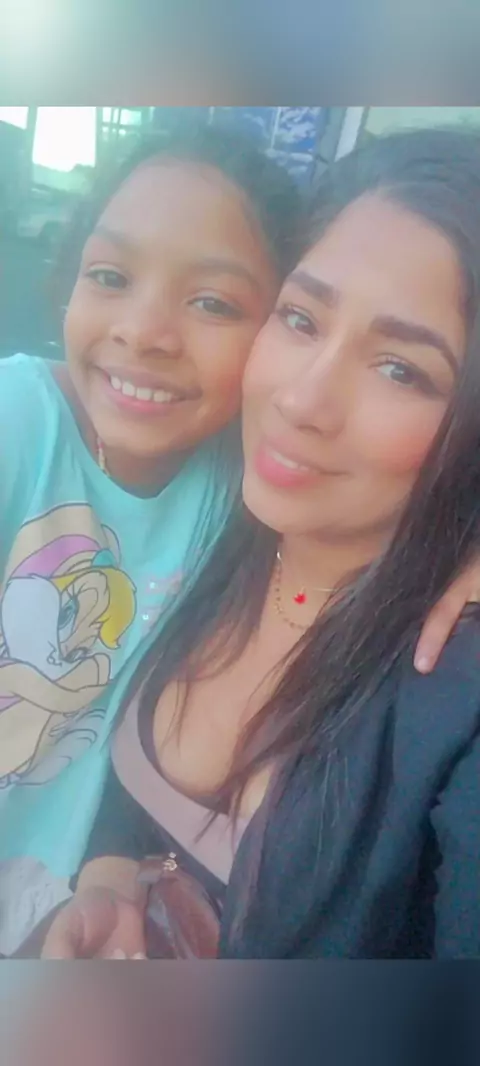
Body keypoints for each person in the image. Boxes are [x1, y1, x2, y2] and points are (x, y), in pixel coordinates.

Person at [42, 126, 480, 960]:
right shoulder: (215, 518)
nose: (301, 400)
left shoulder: (451, 690)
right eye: (301, 318)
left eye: (400, 369)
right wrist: (109, 885)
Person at [0, 121, 300, 954]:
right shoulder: (19, 425)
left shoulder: (241, 493)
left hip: (49, 910)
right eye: (110, 276)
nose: (144, 332)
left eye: (211, 302)